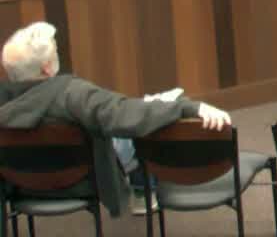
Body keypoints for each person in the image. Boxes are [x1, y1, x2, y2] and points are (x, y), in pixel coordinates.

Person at [0, 22, 232, 217]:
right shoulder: (72, 94)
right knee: (140, 118)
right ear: (47, 69)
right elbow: (127, 115)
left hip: (21, 186)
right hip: (80, 184)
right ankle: (142, 191)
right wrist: (187, 107)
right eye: (55, 54)